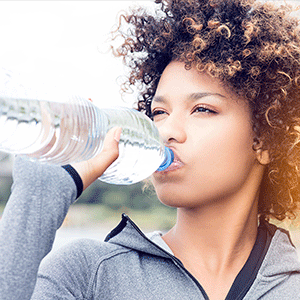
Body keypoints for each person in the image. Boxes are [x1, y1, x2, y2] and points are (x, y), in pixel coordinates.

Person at [0, 0, 300, 299]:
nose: (166, 131)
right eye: (159, 112)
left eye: (202, 109)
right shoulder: (87, 275)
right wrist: (39, 194)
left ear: (265, 140)